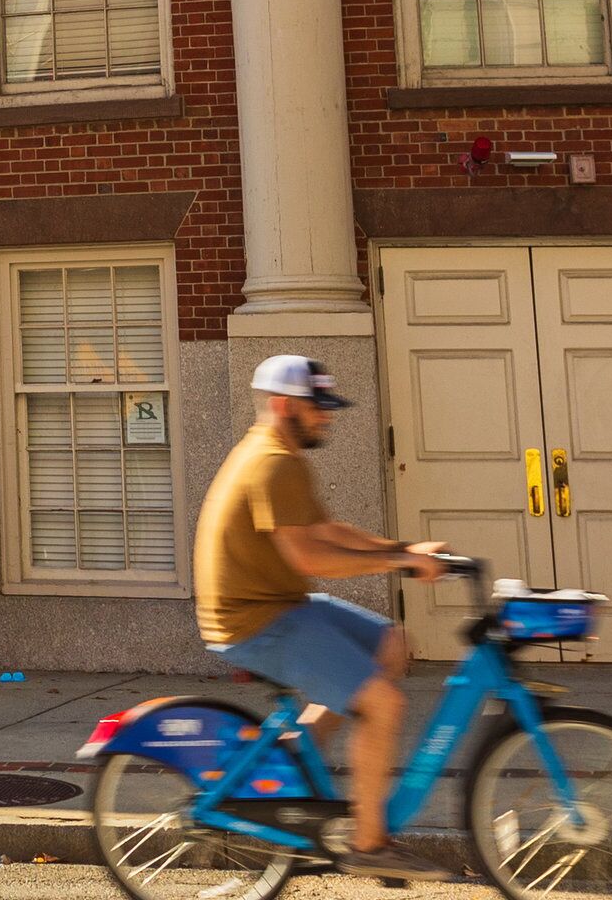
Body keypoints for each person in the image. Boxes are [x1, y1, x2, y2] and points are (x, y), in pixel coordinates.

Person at [196, 355, 453, 878]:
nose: (327, 418)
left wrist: (403, 548)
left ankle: (297, 753)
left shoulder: (282, 454)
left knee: (390, 645)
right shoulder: (271, 461)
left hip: (280, 604)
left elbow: (327, 531)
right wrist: (399, 560)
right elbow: (310, 559)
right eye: (319, 408)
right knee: (382, 704)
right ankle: (368, 844)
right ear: (284, 405)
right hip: (253, 621)